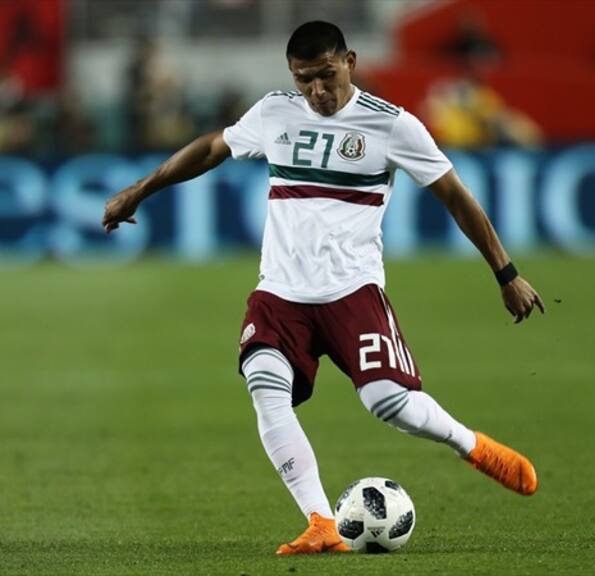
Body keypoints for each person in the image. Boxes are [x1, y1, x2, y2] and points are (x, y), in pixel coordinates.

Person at [102, 21, 545, 556]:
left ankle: (472, 446)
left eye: (326, 76)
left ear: (350, 61)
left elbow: (455, 196)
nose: (317, 91)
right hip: (280, 293)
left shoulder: (393, 126)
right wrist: (140, 190)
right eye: (304, 79)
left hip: (352, 291)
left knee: (391, 403)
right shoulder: (274, 112)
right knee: (265, 387)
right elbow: (213, 148)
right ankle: (321, 522)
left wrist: (506, 273)